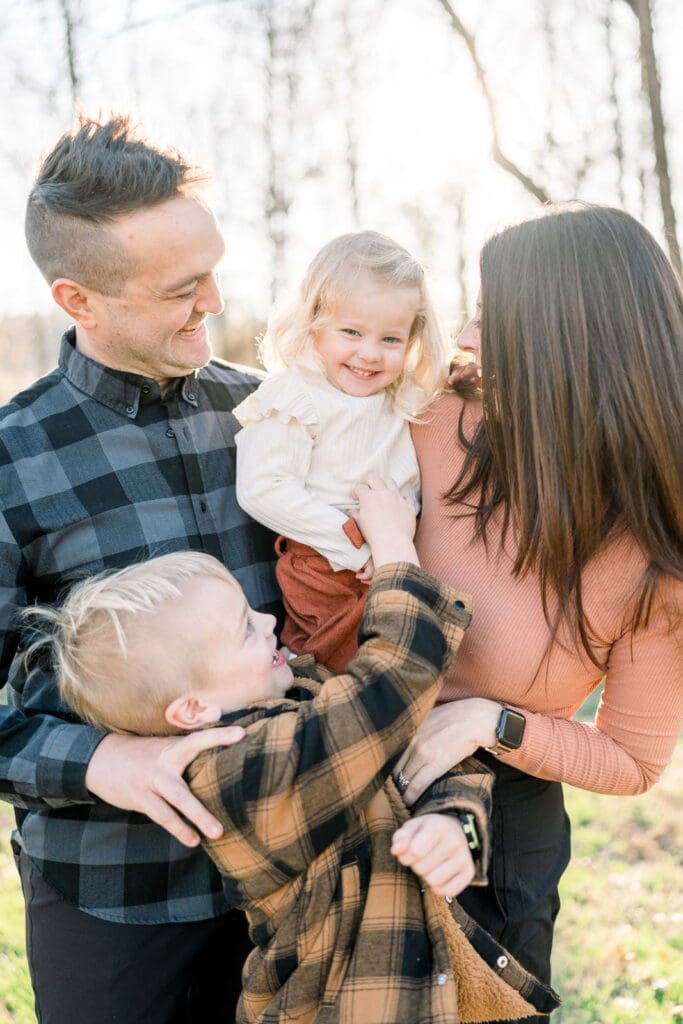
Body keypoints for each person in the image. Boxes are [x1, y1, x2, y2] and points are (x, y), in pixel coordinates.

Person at [24, 479, 560, 1024]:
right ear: (191, 711)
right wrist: (397, 545)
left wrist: (455, 826)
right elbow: (391, 688)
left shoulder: (305, 697)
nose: (268, 621)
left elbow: (427, 760)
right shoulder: (236, 772)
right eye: (243, 630)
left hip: (413, 987)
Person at [0, 114, 282, 1023]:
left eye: (213, 270)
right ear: (79, 300)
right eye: (180, 289)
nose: (214, 301)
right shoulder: (13, 456)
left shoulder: (277, 417)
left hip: (295, 877)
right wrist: (99, 758)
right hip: (112, 895)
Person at [399, 202, 683, 1023]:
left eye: (488, 316)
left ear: (561, 340)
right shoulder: (426, 418)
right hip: (345, 775)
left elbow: (632, 762)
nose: (461, 335)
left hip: (504, 834)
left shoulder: (653, 550)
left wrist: (494, 721)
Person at [233, 230, 448, 670]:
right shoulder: (295, 394)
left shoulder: (398, 396)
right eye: (351, 332)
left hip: (395, 553)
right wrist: (357, 546)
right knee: (339, 668)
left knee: (407, 664)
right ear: (315, 323)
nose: (369, 354)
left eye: (390, 340)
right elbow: (263, 487)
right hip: (326, 564)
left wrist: (393, 544)